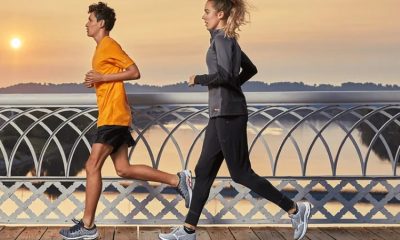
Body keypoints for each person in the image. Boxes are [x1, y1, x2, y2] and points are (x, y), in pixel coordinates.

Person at [159, 1, 311, 240]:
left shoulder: (222, 39)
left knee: (240, 173)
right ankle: (188, 230)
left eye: (207, 12)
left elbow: (226, 75)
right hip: (221, 112)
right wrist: (232, 89)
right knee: (204, 170)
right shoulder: (227, 39)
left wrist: (198, 78)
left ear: (220, 15)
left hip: (228, 114)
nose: (203, 17)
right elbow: (249, 69)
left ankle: (294, 209)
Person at [59, 2, 192, 239]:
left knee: (91, 165)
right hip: (112, 114)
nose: (86, 24)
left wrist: (103, 76)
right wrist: (98, 80)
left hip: (113, 115)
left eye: (90, 20)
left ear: (101, 23)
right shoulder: (101, 48)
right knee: (123, 169)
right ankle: (177, 179)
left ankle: (87, 226)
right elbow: (112, 78)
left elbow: (134, 71)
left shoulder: (109, 44)